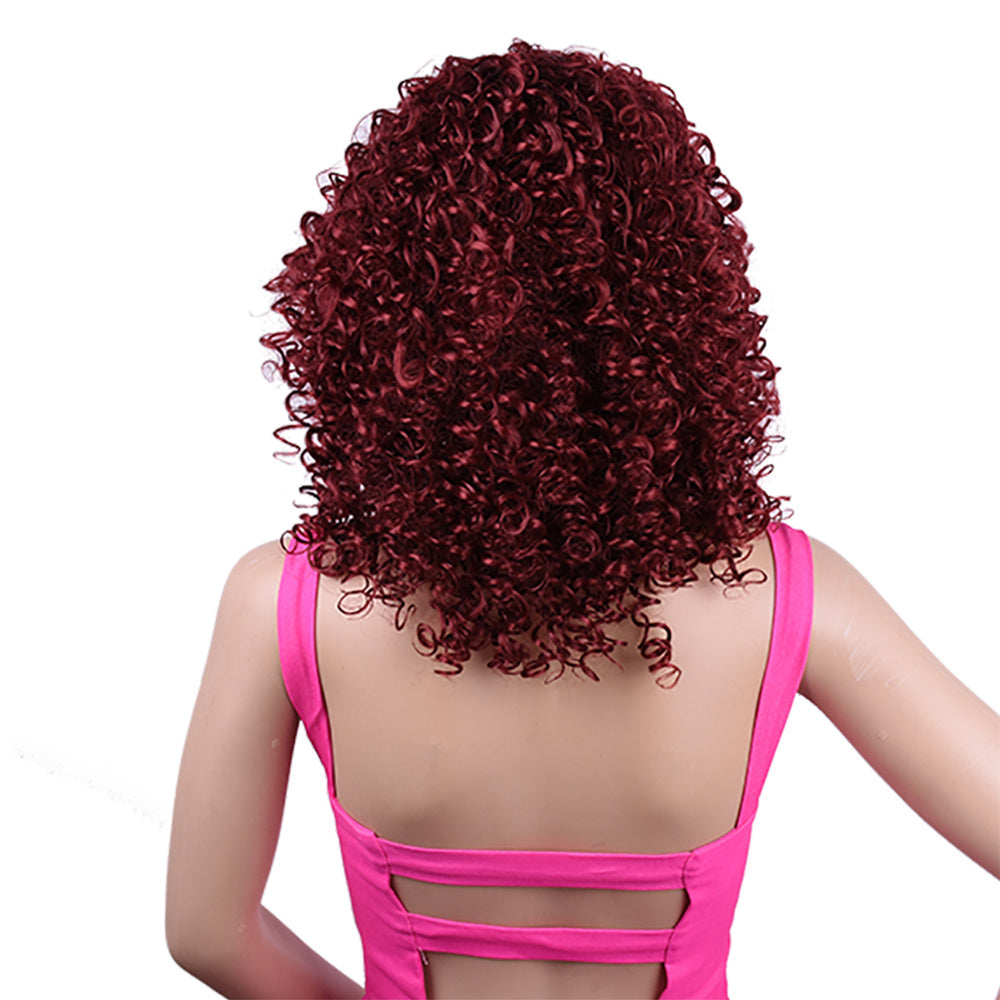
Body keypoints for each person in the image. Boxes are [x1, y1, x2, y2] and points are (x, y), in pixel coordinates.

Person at [165, 39, 999, 1000]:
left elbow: (207, 933)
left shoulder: (287, 601)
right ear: (678, 308)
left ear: (386, 312)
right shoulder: (785, 597)